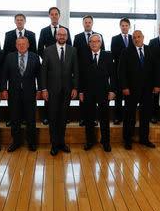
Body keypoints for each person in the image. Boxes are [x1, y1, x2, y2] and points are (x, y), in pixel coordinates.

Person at [119, 30, 160, 150]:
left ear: (143, 37)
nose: (137, 39)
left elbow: (157, 70)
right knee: (129, 115)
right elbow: (121, 72)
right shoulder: (126, 52)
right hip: (130, 90)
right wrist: (124, 87)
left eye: (139, 37)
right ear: (132, 40)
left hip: (148, 89)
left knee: (145, 115)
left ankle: (144, 139)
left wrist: (157, 85)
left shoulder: (150, 50)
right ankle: (128, 140)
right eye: (134, 38)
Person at [40, 28, 79, 156]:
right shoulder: (48, 50)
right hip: (51, 91)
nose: (62, 36)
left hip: (67, 90)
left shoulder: (72, 50)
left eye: (64, 35)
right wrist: (44, 89)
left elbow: (76, 71)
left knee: (63, 118)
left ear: (67, 37)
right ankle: (54, 144)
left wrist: (75, 88)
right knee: (53, 118)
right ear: (56, 36)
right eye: (60, 34)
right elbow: (43, 72)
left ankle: (61, 143)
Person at [0, 36, 41, 152]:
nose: (21, 46)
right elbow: (4, 75)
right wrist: (3, 89)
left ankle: (31, 142)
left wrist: (40, 90)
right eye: (19, 44)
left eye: (24, 44)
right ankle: (16, 142)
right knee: (14, 118)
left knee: (31, 119)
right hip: (13, 93)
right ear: (16, 45)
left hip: (30, 93)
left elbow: (39, 75)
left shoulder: (35, 57)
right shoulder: (9, 57)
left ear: (28, 45)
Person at [79, 34, 116, 152]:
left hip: (104, 92)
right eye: (92, 41)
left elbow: (113, 75)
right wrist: (80, 91)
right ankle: (90, 141)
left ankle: (106, 142)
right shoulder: (83, 56)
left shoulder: (108, 56)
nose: (94, 43)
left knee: (105, 118)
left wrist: (112, 90)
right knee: (89, 118)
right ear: (89, 43)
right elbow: (80, 76)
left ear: (100, 43)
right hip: (88, 92)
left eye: (97, 41)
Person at [3, 13, 37, 127]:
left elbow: (35, 54)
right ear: (15, 21)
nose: (19, 22)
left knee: (30, 116)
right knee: (14, 113)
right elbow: (5, 51)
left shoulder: (31, 35)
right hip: (14, 76)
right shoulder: (8, 35)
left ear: (25, 21)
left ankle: (31, 142)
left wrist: (41, 89)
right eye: (17, 20)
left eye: (21, 20)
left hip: (29, 82)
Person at [73, 15, 104, 126]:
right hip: (83, 70)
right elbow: (75, 54)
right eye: (85, 22)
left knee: (94, 98)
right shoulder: (77, 37)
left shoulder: (99, 36)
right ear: (83, 24)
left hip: (96, 71)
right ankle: (83, 118)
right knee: (83, 96)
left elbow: (102, 53)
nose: (87, 24)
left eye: (89, 22)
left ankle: (93, 119)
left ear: (92, 23)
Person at [110, 17, 134, 125]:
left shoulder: (134, 38)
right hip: (119, 70)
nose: (124, 27)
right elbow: (114, 54)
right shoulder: (115, 39)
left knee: (130, 97)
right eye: (122, 25)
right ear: (120, 27)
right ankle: (118, 117)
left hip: (131, 72)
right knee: (118, 96)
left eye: (126, 25)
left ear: (129, 27)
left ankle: (129, 118)